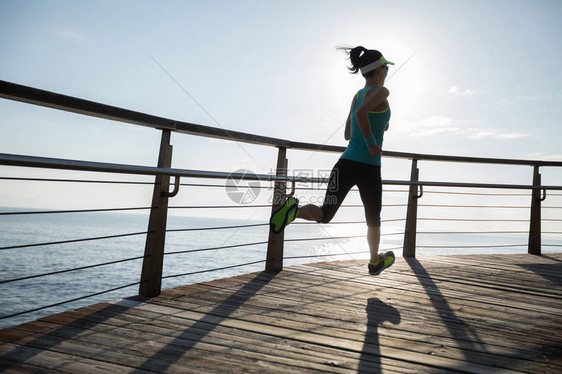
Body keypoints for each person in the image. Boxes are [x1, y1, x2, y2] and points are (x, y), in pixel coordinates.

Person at [270, 46, 395, 276]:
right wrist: (372, 143)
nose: (386, 71)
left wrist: (378, 127)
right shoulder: (381, 91)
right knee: (373, 218)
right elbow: (360, 116)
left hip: (345, 163)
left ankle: (293, 211)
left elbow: (348, 132)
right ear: (378, 70)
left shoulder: (357, 95)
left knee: (325, 214)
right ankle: (374, 262)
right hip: (368, 167)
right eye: (385, 67)